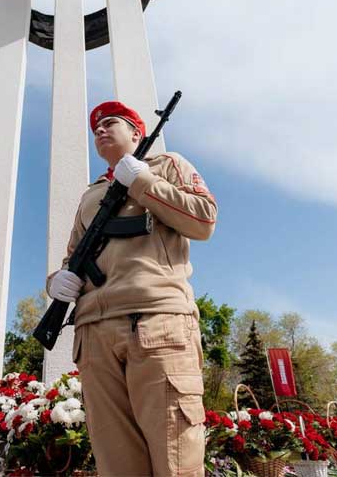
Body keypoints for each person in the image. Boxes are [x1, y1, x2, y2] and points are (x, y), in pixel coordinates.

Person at [47, 101, 217, 476]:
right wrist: (55, 283)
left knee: (176, 458)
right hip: (93, 335)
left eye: (111, 123)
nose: (100, 131)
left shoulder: (167, 165)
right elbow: (72, 258)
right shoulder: (91, 196)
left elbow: (204, 220)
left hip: (157, 322)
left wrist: (142, 181)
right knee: (116, 462)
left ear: (138, 133)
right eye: (96, 129)